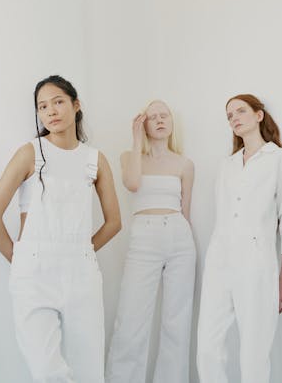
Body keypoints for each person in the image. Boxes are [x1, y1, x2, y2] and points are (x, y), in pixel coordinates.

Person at [0, 75, 121, 383]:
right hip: (34, 272)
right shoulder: (31, 152)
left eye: (58, 102)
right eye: (42, 107)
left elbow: (114, 223)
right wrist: (21, 260)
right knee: (47, 371)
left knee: (88, 371)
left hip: (81, 273)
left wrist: (81, 251)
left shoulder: (94, 159)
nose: (51, 111)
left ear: (76, 105)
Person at [196, 94, 282, 383]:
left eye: (240, 111)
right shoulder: (227, 165)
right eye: (229, 116)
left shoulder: (280, 159)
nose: (234, 118)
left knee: (254, 352)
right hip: (220, 260)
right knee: (207, 348)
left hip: (256, 262)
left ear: (258, 115)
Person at [106, 100, 196, 383]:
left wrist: (186, 237)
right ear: (143, 124)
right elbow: (132, 184)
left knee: (176, 322)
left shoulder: (185, 163)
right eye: (152, 116)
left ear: (172, 122)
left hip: (179, 238)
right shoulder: (129, 156)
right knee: (131, 321)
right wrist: (136, 140)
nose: (159, 120)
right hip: (144, 238)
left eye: (164, 115)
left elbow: (186, 210)